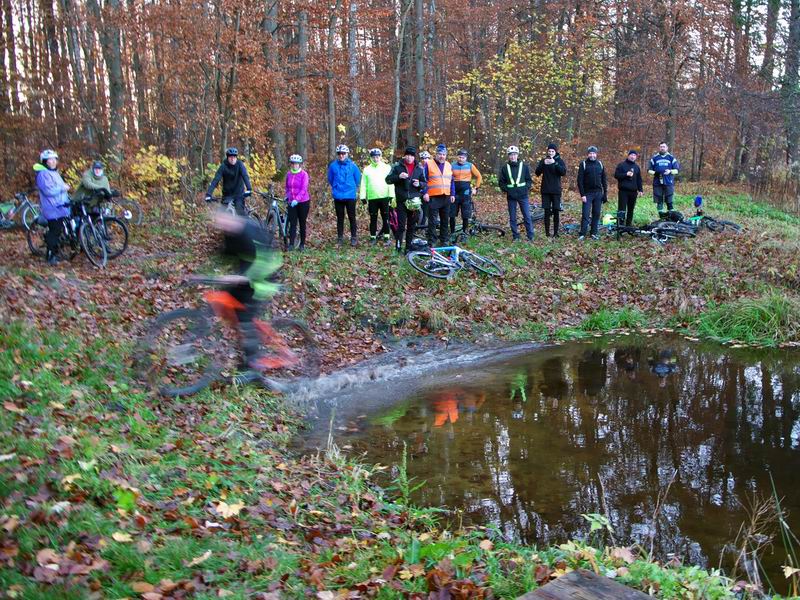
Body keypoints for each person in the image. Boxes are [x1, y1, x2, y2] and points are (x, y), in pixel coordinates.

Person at [210, 208, 282, 382]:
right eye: (219, 224)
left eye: (224, 222)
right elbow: (223, 256)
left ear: (233, 219)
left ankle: (253, 366)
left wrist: (241, 277)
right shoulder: (230, 234)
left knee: (245, 318)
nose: (222, 226)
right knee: (227, 302)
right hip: (245, 277)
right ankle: (246, 352)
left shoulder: (248, 233)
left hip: (264, 277)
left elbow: (263, 262)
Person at [385, 146, 427, 254]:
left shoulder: (419, 168)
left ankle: (408, 248)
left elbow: (425, 183)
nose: (409, 158)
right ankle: (398, 247)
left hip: (414, 202)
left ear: (414, 157)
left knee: (412, 226)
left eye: (411, 156)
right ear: (404, 156)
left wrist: (420, 184)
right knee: (401, 226)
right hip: (401, 201)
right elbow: (388, 180)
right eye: (407, 155)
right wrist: (399, 177)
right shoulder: (397, 167)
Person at [33, 149, 71, 266]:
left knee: (58, 231)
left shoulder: (54, 172)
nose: (53, 161)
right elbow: (48, 190)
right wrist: (62, 188)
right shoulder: (43, 174)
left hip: (60, 207)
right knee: (54, 232)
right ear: (45, 161)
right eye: (50, 159)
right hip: (52, 208)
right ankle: (50, 255)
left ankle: (55, 252)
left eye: (55, 159)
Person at [326, 144, 361, 247]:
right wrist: (336, 187)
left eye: (343, 153)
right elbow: (330, 179)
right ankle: (340, 238)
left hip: (350, 196)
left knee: (352, 217)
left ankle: (353, 237)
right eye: (339, 154)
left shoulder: (353, 166)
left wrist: (351, 187)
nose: (341, 155)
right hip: (338, 195)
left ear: (347, 154)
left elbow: (357, 179)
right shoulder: (333, 166)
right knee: (340, 218)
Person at [359, 148, 395, 245]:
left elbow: (391, 182)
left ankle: (386, 237)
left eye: (377, 157)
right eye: (374, 157)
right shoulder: (367, 169)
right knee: (373, 218)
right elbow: (363, 184)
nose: (376, 159)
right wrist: (363, 196)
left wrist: (391, 195)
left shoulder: (387, 167)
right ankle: (373, 237)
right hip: (372, 198)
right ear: (371, 158)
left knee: (386, 218)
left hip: (385, 197)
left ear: (380, 157)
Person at [497, 145, 534, 241]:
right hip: (511, 196)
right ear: (508, 156)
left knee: (527, 215)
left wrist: (526, 188)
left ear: (517, 155)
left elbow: (529, 180)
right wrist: (507, 190)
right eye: (511, 155)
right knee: (512, 217)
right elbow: (501, 182)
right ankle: (515, 236)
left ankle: (530, 235)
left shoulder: (524, 166)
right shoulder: (505, 168)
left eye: (514, 154)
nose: (513, 156)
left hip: (523, 195)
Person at [205, 147, 253, 216]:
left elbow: (245, 176)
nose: (232, 159)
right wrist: (208, 194)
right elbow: (215, 180)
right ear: (227, 158)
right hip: (227, 195)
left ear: (236, 157)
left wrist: (249, 189)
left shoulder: (240, 164)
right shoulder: (223, 166)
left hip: (239, 194)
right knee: (221, 215)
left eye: (234, 157)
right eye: (230, 157)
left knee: (240, 213)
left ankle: (249, 223)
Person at [423, 144, 455, 246]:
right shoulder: (429, 164)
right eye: (440, 154)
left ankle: (444, 240)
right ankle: (432, 241)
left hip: (446, 196)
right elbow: (423, 179)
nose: (442, 156)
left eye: (444, 154)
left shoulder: (449, 165)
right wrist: (425, 192)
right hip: (433, 196)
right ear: (436, 154)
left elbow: (452, 181)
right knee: (432, 221)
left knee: (445, 220)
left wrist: (452, 194)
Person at [534, 143, 567, 237]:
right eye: (549, 151)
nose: (551, 153)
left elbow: (563, 172)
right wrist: (543, 164)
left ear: (555, 152)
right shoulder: (543, 161)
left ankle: (556, 233)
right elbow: (537, 173)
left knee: (556, 211)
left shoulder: (559, 161)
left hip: (556, 190)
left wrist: (554, 163)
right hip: (545, 190)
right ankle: (547, 233)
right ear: (547, 152)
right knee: (547, 212)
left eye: (552, 151)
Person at [576, 146, 608, 240]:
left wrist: (605, 193)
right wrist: (582, 195)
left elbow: (604, 180)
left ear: (596, 154)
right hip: (587, 194)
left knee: (596, 213)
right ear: (588, 154)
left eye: (594, 153)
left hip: (598, 193)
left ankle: (593, 233)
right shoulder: (583, 164)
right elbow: (579, 181)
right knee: (585, 214)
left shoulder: (600, 164)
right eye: (590, 153)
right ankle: (582, 233)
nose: (592, 155)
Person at [450, 149, 482, 235]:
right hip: (454, 192)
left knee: (465, 214)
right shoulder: (452, 165)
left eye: (463, 157)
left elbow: (479, 176)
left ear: (466, 158)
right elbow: (447, 177)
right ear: (457, 157)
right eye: (459, 157)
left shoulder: (470, 165)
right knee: (452, 214)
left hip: (466, 192)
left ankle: (465, 233)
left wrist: (476, 188)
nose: (461, 159)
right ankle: (452, 233)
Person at [284, 154, 310, 251]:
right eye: (293, 163)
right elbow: (287, 187)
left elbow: (304, 189)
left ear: (300, 164)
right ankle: (291, 244)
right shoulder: (288, 174)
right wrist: (288, 196)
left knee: (302, 223)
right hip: (291, 202)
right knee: (293, 223)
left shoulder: (304, 174)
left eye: (296, 164)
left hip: (303, 202)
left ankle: (302, 244)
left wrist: (297, 199)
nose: (294, 165)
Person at [648, 142, 680, 217]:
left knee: (669, 199)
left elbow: (677, 170)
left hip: (668, 182)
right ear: (659, 148)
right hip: (657, 182)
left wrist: (670, 171)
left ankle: (671, 216)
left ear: (667, 148)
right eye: (661, 147)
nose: (662, 148)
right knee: (659, 199)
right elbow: (649, 170)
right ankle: (661, 216)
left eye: (664, 147)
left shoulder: (671, 158)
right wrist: (655, 173)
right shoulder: (654, 158)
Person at [613, 150, 644, 226]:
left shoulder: (636, 167)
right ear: (628, 155)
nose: (633, 157)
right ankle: (620, 226)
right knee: (622, 209)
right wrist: (626, 174)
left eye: (634, 155)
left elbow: (639, 179)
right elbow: (616, 175)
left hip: (633, 192)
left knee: (631, 209)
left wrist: (640, 190)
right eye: (631, 155)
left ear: (636, 157)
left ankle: (628, 226)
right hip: (623, 191)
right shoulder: (621, 165)